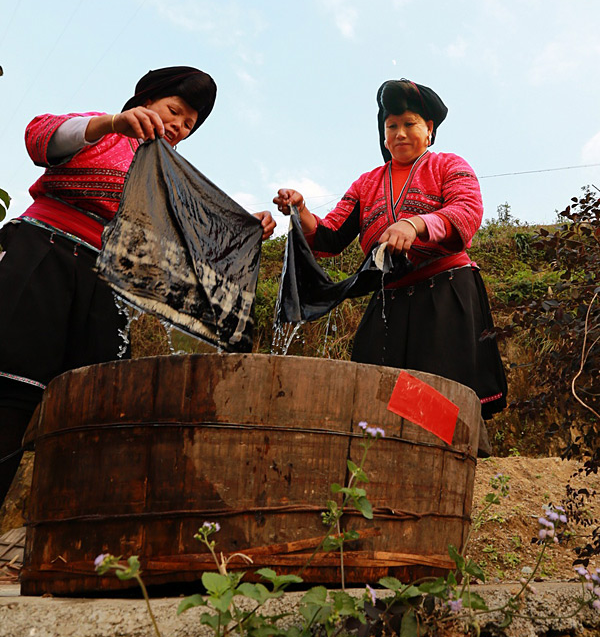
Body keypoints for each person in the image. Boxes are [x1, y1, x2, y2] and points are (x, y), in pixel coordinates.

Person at [0, 65, 276, 507]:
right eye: (174, 111)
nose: (179, 127)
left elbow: (190, 239)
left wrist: (245, 227)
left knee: (95, 410)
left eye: (189, 124)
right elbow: (40, 136)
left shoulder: (168, 176)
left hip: (104, 287)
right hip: (43, 257)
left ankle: (73, 554)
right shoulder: (104, 132)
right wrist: (112, 122)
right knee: (10, 396)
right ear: (144, 102)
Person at [274, 78, 507, 420]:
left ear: (428, 129)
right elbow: (331, 234)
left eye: (409, 124)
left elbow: (466, 212)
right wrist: (302, 211)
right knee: (376, 393)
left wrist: (414, 224)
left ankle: (446, 460)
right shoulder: (366, 183)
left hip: (443, 292)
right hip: (389, 298)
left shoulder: (449, 165)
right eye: (391, 126)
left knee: (437, 400)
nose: (399, 133)